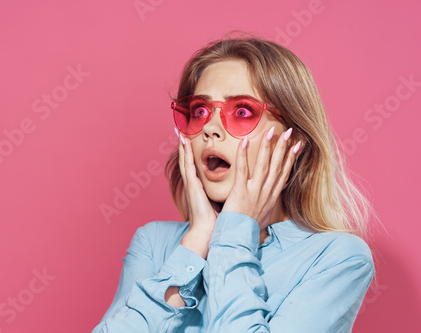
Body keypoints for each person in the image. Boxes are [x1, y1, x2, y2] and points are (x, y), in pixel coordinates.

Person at [93, 34, 376, 332]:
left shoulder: (337, 257)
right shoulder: (154, 243)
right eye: (199, 111)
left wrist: (236, 230)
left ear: (293, 141)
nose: (210, 128)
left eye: (242, 111)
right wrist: (197, 240)